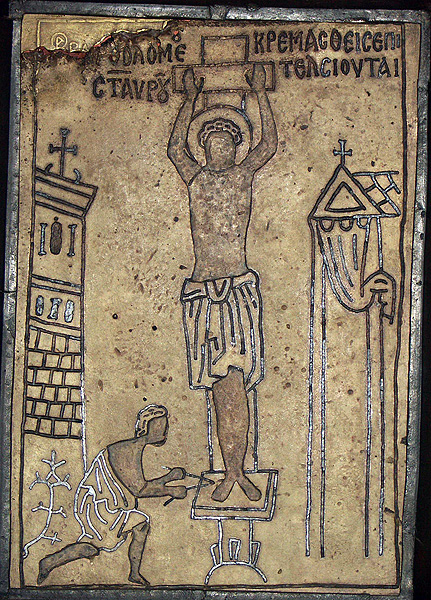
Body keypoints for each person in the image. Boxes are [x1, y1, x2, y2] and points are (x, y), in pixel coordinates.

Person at [168, 64, 278, 503]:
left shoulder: (242, 177)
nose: (221, 147)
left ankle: (237, 471)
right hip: (202, 294)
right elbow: (175, 149)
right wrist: (188, 100)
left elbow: (268, 144)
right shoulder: (196, 180)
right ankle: (230, 472)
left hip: (237, 292)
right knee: (218, 388)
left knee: (237, 385)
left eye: (228, 142)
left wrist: (260, 92)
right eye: (213, 142)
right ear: (205, 148)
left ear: (235, 148)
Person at [38, 405, 186, 586]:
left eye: (165, 426)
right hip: (99, 504)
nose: (164, 431)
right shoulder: (128, 450)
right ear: (145, 428)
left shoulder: (135, 447)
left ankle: (48, 562)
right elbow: (140, 490)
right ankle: (134, 573)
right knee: (141, 524)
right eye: (159, 427)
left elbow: (139, 485)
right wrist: (171, 489)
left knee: (91, 548)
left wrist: (169, 478)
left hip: (103, 503)